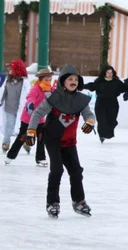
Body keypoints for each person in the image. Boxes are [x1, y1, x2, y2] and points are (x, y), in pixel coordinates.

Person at [26, 65, 95, 218]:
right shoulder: (53, 98)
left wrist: (90, 121)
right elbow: (37, 113)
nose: (73, 81)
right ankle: (52, 203)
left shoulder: (80, 100)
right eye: (70, 79)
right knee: (57, 170)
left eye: (76, 79)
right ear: (63, 81)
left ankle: (78, 201)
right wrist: (31, 130)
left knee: (76, 171)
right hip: (53, 140)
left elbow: (88, 113)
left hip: (69, 142)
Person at [5, 68, 52, 166]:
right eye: (46, 79)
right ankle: (10, 156)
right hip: (28, 117)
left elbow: (56, 96)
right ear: (40, 79)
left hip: (40, 118)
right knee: (22, 137)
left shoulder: (50, 89)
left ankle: (40, 158)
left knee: (41, 138)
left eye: (49, 79)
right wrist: (30, 104)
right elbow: (30, 97)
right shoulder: (36, 88)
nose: (48, 81)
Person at [83, 65, 128, 143]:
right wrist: (83, 86)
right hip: (101, 103)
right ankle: (102, 136)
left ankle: (110, 128)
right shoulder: (99, 81)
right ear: (104, 73)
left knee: (111, 120)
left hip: (113, 104)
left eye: (111, 72)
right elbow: (92, 86)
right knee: (102, 120)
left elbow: (124, 88)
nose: (110, 74)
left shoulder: (117, 82)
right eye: (108, 72)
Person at [0, 59, 30, 153]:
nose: (9, 70)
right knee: (9, 125)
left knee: (23, 128)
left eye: (11, 68)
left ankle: (26, 143)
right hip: (9, 108)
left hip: (21, 109)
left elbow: (28, 95)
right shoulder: (7, 80)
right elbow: (3, 92)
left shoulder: (24, 82)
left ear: (17, 69)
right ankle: (6, 142)